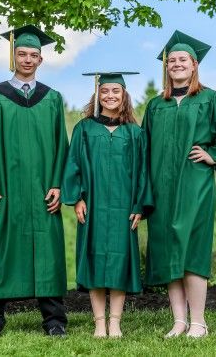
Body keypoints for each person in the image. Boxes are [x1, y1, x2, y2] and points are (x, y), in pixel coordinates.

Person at [0, 25, 69, 338]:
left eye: (34, 55)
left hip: (42, 191)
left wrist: (59, 184)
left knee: (48, 249)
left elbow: (62, 145)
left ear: (41, 60)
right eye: (22, 53)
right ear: (13, 56)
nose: (28, 59)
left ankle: (54, 321)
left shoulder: (52, 99)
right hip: (4, 190)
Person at [142, 30, 216, 338]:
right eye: (171, 60)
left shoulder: (211, 99)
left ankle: (199, 321)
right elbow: (144, 147)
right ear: (166, 67)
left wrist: (213, 155)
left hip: (195, 185)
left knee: (192, 248)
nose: (176, 64)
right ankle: (179, 321)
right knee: (165, 250)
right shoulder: (155, 106)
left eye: (182, 60)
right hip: (161, 187)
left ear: (194, 64)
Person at [61, 72, 153, 338]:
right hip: (94, 206)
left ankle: (115, 322)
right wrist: (76, 197)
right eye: (105, 91)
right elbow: (73, 165)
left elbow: (143, 172)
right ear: (97, 95)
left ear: (124, 96)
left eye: (116, 91)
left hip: (125, 208)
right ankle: (99, 322)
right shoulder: (84, 129)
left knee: (120, 264)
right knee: (94, 260)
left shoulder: (135, 133)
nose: (110, 96)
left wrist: (139, 205)